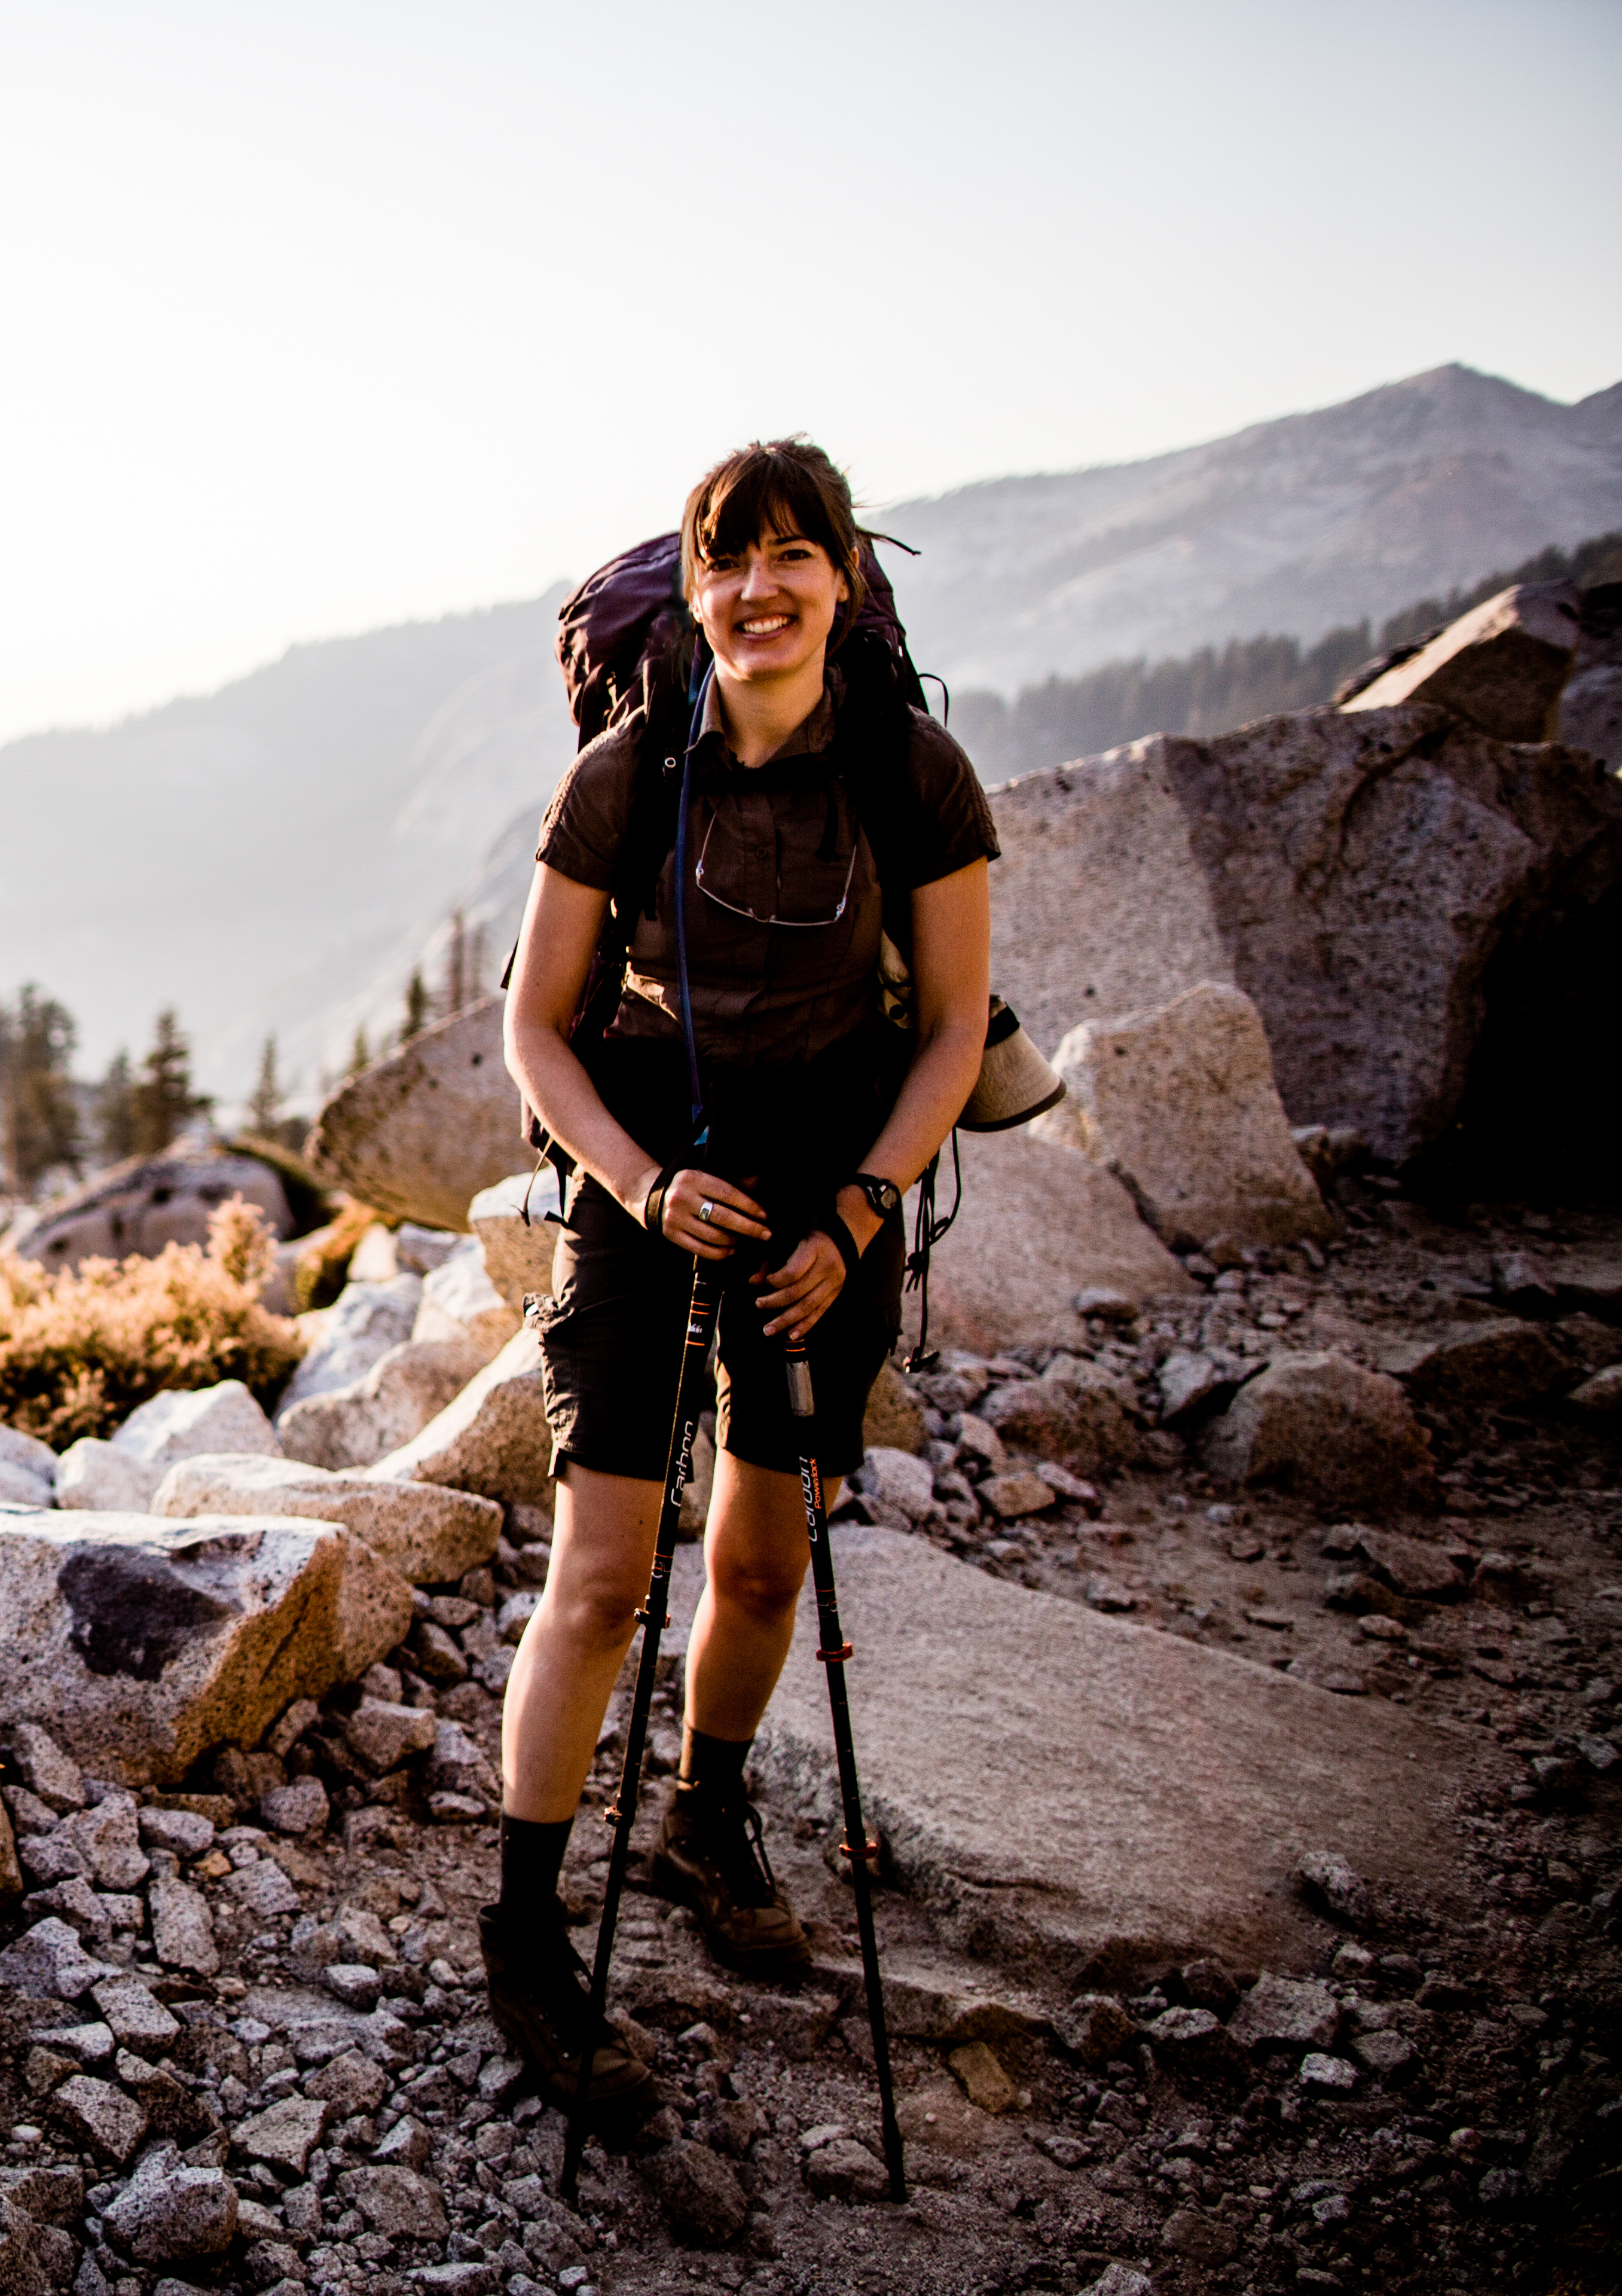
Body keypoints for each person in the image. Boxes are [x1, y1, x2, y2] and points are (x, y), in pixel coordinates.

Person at [484, 438, 997, 2112]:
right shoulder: (628, 777)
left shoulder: (916, 776)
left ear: (844, 579)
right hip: (649, 1175)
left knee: (768, 1560)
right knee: (605, 1574)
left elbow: (946, 1037)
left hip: (828, 1184)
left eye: (792, 557)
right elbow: (536, 1030)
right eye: (727, 561)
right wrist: (637, 1187)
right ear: (696, 592)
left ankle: (706, 1816)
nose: (758, 589)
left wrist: (856, 1216)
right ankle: (527, 1935)